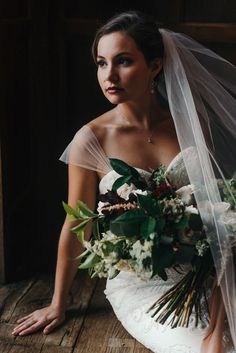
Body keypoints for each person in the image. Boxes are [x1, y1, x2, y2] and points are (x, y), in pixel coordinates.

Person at [12, 10, 236, 353]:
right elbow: (77, 224)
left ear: (155, 66)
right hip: (145, 284)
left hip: (207, 273)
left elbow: (216, 210)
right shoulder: (92, 138)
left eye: (124, 61)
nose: (109, 75)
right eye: (102, 63)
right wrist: (59, 302)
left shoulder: (191, 124)